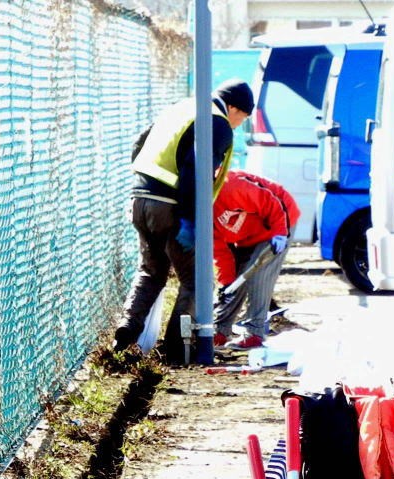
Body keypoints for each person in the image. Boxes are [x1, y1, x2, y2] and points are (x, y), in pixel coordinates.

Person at [111, 79, 253, 362]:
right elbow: (194, 169)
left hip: (140, 198)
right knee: (196, 280)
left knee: (152, 271)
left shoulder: (182, 108)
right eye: (243, 118)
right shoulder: (217, 122)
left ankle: (127, 329)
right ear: (234, 108)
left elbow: (140, 143)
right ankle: (176, 351)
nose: (239, 125)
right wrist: (189, 220)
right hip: (171, 206)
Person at [212, 170, 299, 350]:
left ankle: (254, 334)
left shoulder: (232, 186)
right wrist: (227, 283)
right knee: (235, 282)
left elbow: (273, 203)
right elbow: (221, 253)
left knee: (259, 276)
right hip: (247, 236)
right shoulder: (201, 216)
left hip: (278, 222)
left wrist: (280, 232)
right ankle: (219, 330)